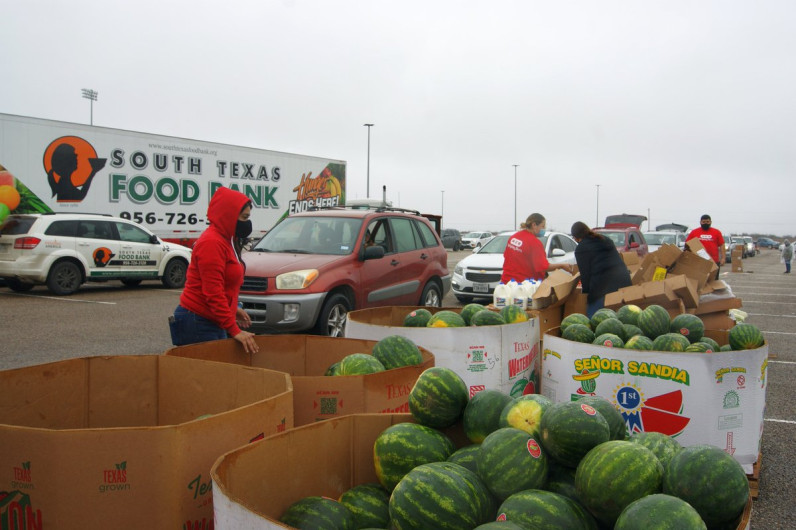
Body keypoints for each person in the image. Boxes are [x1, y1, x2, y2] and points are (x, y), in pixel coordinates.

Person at [169, 186, 259, 353]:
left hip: (212, 320)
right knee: (207, 377)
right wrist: (235, 330)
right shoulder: (212, 243)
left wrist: (233, 310)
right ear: (229, 215)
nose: (247, 223)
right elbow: (213, 292)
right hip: (198, 321)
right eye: (245, 217)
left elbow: (224, 285)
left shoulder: (226, 239)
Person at [570, 221, 632, 318]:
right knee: (622, 319)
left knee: (595, 321)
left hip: (602, 288)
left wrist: (586, 296)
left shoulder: (581, 248)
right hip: (624, 283)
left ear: (576, 237)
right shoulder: (605, 239)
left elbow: (585, 275)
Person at [501, 213, 573, 283]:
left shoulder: (514, 237)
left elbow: (507, 256)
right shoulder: (534, 243)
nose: (544, 229)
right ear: (534, 225)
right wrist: (561, 265)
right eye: (543, 226)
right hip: (523, 287)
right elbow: (543, 267)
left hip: (506, 283)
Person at [686, 214, 725, 279]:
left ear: (710, 222)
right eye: (703, 222)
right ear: (700, 222)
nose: (705, 223)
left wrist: (723, 258)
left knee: (713, 281)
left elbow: (722, 245)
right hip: (699, 262)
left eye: (707, 222)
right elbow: (687, 245)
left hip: (714, 262)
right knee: (700, 281)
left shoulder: (717, 232)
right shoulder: (694, 232)